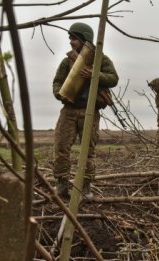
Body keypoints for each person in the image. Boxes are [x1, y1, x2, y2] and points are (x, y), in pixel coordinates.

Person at [52, 22, 119, 198]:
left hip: (90, 111)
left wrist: (94, 74)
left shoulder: (100, 59)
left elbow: (113, 78)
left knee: (87, 150)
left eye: (74, 38)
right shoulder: (68, 61)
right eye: (70, 38)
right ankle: (62, 185)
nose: (71, 42)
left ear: (84, 39)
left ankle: (86, 187)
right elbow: (57, 82)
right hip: (69, 110)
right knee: (61, 147)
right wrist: (59, 94)